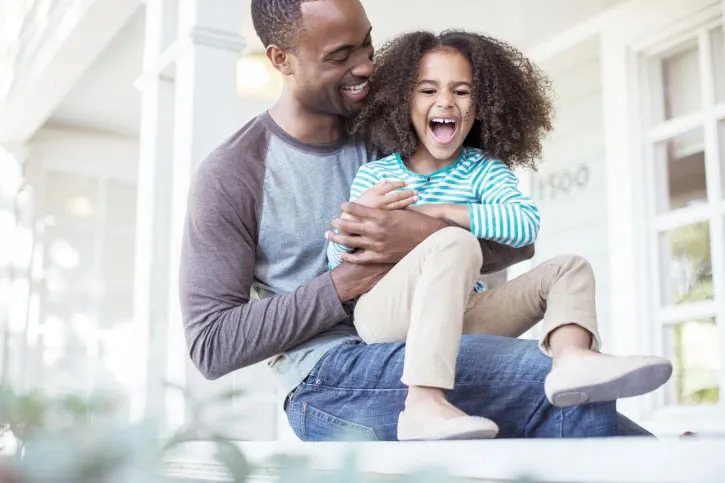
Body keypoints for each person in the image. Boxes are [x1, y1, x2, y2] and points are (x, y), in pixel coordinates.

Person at [179, 0, 655, 440]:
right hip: (325, 375)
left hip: (438, 329)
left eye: (367, 42)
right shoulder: (235, 173)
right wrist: (348, 279)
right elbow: (212, 346)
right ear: (281, 59)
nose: (366, 66)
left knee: (575, 388)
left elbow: (516, 241)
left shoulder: (394, 131)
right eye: (341, 54)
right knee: (550, 382)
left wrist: (426, 229)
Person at [325, 30, 672, 441]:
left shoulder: (484, 171)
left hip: (462, 312)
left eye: (462, 91)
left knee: (568, 268)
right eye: (427, 90)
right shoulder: (379, 175)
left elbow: (523, 223)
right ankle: (422, 403)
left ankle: (573, 358)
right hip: (387, 314)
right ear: (404, 101)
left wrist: (441, 212)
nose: (445, 102)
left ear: (482, 104)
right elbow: (337, 265)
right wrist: (358, 222)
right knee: (455, 242)